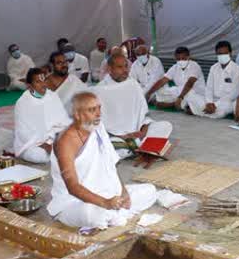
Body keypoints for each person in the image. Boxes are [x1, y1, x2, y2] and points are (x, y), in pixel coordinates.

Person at [47, 91, 157, 229]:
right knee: (94, 215)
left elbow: (111, 164)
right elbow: (73, 187)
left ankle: (115, 212)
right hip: (74, 202)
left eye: (99, 108)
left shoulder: (98, 127)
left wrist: (123, 192)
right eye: (92, 110)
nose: (98, 114)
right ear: (77, 114)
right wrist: (105, 203)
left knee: (150, 190)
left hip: (107, 194)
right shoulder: (65, 141)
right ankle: (113, 214)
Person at [94, 53, 172, 158]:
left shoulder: (133, 84)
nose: (125, 70)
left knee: (165, 126)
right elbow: (96, 123)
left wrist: (143, 130)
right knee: (102, 144)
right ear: (109, 69)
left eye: (126, 66)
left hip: (137, 135)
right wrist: (119, 135)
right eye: (120, 67)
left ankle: (138, 147)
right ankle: (141, 148)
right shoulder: (99, 90)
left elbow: (143, 115)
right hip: (116, 137)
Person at [13, 68, 71, 164]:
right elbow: (23, 132)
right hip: (34, 144)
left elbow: (63, 121)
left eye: (44, 80)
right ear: (29, 86)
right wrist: (44, 144)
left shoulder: (53, 96)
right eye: (38, 82)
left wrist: (54, 141)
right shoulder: (22, 103)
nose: (43, 85)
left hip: (55, 139)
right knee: (38, 155)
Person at [186, 41, 239, 119]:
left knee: (225, 109)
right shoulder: (213, 68)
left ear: (230, 53)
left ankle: (199, 111)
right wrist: (209, 102)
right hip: (212, 100)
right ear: (216, 54)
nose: (222, 56)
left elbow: (235, 93)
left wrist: (216, 105)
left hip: (226, 102)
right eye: (220, 54)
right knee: (191, 96)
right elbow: (209, 88)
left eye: (225, 53)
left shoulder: (237, 69)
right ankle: (206, 110)